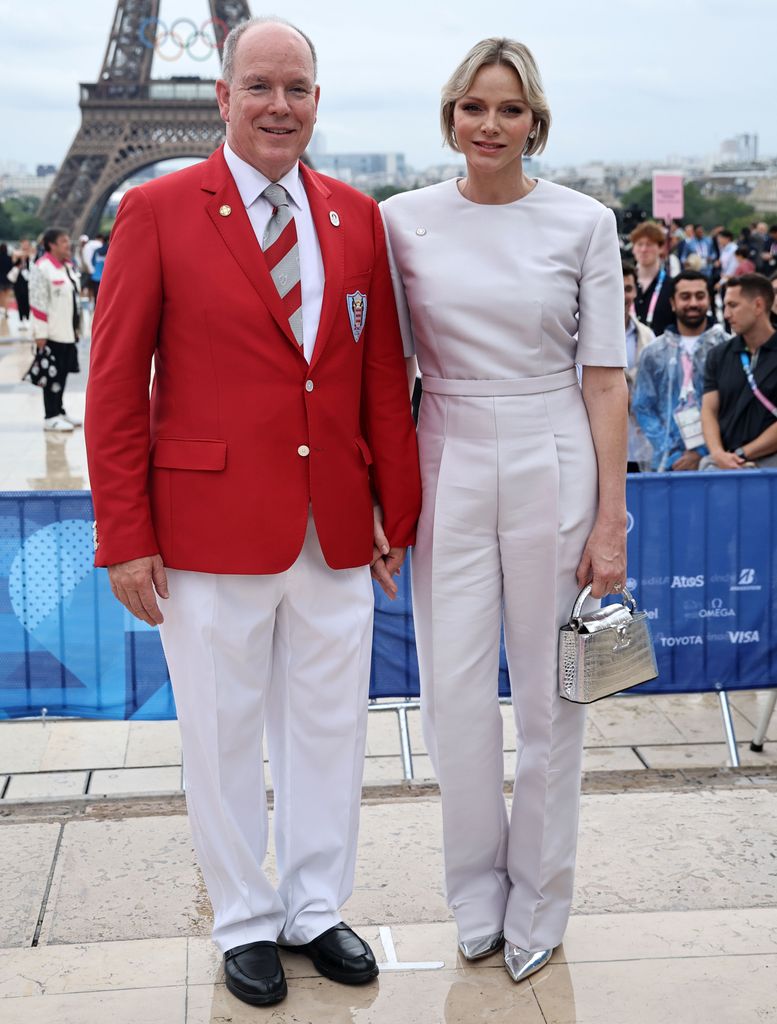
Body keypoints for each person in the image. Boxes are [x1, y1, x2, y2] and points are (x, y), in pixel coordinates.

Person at [85, 16, 421, 1010]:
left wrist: (388, 509)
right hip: (205, 530)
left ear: (319, 99)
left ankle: (314, 906)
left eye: (299, 88)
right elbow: (112, 387)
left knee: (328, 730)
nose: (281, 105)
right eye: (262, 86)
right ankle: (243, 919)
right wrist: (125, 534)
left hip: (332, 526)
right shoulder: (154, 210)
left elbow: (376, 380)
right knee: (224, 735)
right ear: (221, 98)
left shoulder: (358, 217)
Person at [381, 37, 627, 985]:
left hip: (551, 450)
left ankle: (540, 900)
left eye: (509, 109)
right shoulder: (400, 220)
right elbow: (384, 374)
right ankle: (473, 897)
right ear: (450, 116)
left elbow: (603, 382)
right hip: (441, 448)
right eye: (474, 107)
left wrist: (611, 523)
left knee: (552, 697)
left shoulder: (585, 223)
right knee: (451, 697)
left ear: (536, 121)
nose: (490, 125)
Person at [632, 271, 727, 471]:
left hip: (718, 462)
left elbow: (732, 407)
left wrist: (703, 452)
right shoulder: (654, 352)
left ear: (709, 300)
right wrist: (672, 454)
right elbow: (643, 407)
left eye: (700, 296)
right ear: (673, 303)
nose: (693, 303)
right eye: (685, 297)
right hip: (668, 465)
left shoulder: (726, 347)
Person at [701, 274, 777, 468]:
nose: (726, 314)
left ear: (758, 306)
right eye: (725, 306)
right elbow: (709, 410)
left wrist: (743, 454)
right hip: (726, 464)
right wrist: (718, 454)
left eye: (733, 305)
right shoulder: (718, 355)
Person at [28, 229, 82, 432]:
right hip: (52, 333)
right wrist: (40, 334)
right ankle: (50, 415)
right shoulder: (42, 268)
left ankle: (59, 411)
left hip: (67, 332)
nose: (68, 244)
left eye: (68, 240)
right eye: (63, 241)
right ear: (51, 245)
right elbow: (38, 302)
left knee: (62, 374)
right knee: (51, 375)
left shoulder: (67, 267)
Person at [623, 260, 654, 471]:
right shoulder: (581, 337)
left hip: (639, 445)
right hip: (597, 445)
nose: (623, 296)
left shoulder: (647, 336)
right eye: (616, 288)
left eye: (628, 289)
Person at [631, 220, 675, 336]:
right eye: (639, 244)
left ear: (660, 248)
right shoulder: (623, 284)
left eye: (649, 244)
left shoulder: (671, 286)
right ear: (633, 248)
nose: (644, 249)